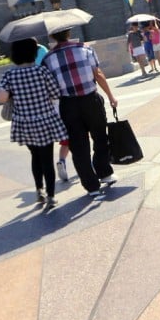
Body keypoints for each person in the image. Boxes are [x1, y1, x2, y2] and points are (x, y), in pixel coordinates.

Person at [42, 28, 119, 199]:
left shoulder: (47, 59)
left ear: (52, 37)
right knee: (100, 137)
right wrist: (110, 96)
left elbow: (49, 88)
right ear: (69, 33)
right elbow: (98, 74)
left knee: (78, 146)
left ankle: (91, 185)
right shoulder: (85, 49)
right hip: (91, 99)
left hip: (68, 105)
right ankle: (105, 172)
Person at [0, 38, 68, 209]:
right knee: (47, 158)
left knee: (35, 156)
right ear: (34, 53)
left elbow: (2, 98)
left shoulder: (9, 74)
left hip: (24, 123)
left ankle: (39, 190)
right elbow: (55, 93)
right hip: (45, 120)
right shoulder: (41, 71)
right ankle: (51, 196)